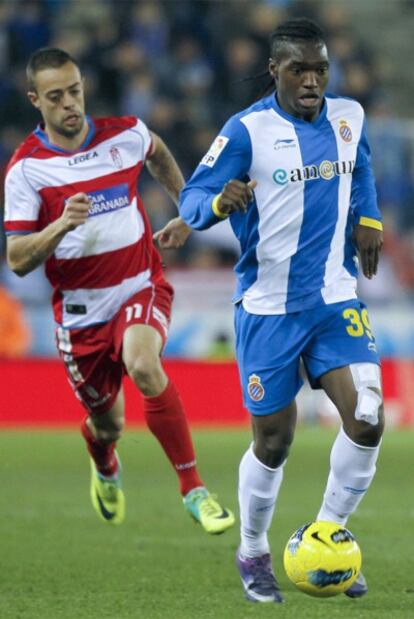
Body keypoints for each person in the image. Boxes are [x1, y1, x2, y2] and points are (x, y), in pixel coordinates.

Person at [155, 18, 384, 602]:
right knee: (274, 441)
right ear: (274, 71)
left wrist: (369, 220)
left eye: (320, 69)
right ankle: (253, 551)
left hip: (335, 298)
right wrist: (216, 203)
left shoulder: (347, 116)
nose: (312, 80)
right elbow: (193, 198)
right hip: (268, 309)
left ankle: (331, 534)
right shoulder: (246, 131)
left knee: (367, 418)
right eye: (299, 70)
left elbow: (360, 168)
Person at [3, 47, 235, 535]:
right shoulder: (26, 171)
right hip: (82, 315)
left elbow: (158, 153)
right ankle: (105, 461)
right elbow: (18, 259)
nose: (69, 103)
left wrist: (187, 211)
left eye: (75, 90)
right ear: (34, 100)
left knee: (145, 364)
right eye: (55, 96)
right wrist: (60, 226)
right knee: (107, 424)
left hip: (140, 284)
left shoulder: (125, 134)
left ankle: (194, 490)